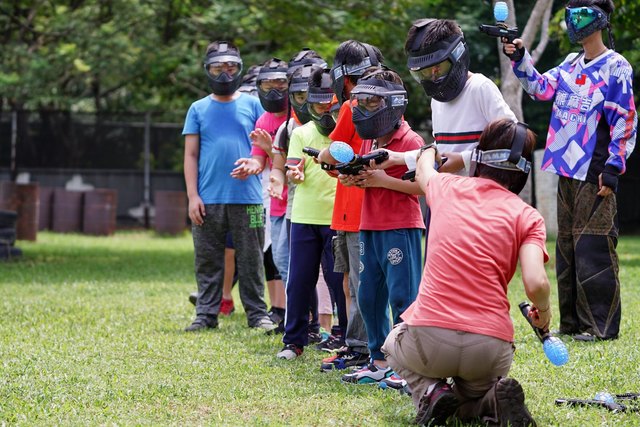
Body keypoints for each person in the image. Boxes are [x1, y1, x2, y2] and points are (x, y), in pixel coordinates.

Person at [381, 119, 550, 427]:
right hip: (488, 347)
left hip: (428, 338)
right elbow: (535, 282)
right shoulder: (528, 216)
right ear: (524, 171)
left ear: (478, 157)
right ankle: (493, 400)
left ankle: (431, 392)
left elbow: (423, 170)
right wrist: (546, 314)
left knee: (392, 342)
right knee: (472, 394)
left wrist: (429, 150)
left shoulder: (446, 187)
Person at [503, 0, 636, 341]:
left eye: (583, 14)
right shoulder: (569, 63)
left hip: (595, 169)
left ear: (601, 19)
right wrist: (520, 57)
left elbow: (625, 118)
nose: (576, 21)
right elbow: (539, 88)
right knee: (567, 249)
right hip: (565, 167)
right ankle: (573, 323)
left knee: (593, 247)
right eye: (572, 14)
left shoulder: (616, 67)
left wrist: (613, 168)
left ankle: (600, 327)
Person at [338, 69, 425, 385]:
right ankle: (378, 362)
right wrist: (356, 178)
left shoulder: (411, 141)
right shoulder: (369, 140)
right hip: (369, 226)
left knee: (403, 298)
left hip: (401, 227)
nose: (363, 109)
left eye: (372, 102)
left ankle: (407, 367)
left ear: (393, 104)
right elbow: (369, 178)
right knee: (368, 296)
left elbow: (425, 187)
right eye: (360, 102)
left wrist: (383, 180)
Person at [182, 40, 275, 332]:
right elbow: (191, 154)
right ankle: (206, 314)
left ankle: (257, 314)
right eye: (217, 68)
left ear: (240, 69)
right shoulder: (197, 109)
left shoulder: (255, 104)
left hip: (249, 197)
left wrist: (256, 163)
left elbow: (265, 149)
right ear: (207, 70)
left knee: (251, 258)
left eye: (231, 67)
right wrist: (193, 196)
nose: (224, 74)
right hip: (208, 198)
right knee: (207, 258)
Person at [316, 40, 384, 369]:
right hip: (354, 210)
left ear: (343, 78)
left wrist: (321, 159)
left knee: (357, 286)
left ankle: (361, 349)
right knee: (353, 283)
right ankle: (357, 344)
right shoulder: (383, 106)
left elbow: (333, 153)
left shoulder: (349, 107)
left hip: (353, 213)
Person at [276, 67, 346, 360]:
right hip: (303, 218)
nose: (322, 108)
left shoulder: (345, 132)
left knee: (339, 281)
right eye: (317, 103)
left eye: (328, 102)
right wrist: (293, 174)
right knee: (299, 281)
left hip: (336, 218)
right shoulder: (300, 133)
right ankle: (293, 341)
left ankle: (345, 336)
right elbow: (291, 168)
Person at [404, 19, 516, 174]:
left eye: (438, 68)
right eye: (425, 72)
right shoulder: (437, 101)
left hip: (481, 195)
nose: (433, 77)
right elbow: (443, 150)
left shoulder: (480, 87)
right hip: (448, 194)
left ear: (457, 54)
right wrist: (395, 158)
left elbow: (515, 143)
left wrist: (465, 160)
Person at [232, 57, 290, 329]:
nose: (275, 89)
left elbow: (293, 161)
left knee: (299, 262)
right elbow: (260, 160)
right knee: (275, 255)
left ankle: (310, 317)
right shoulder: (264, 119)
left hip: (303, 199)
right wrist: (250, 165)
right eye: (268, 83)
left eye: (281, 82)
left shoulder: (299, 115)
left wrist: (269, 149)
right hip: (272, 199)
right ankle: (280, 309)